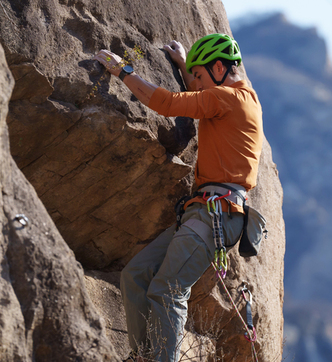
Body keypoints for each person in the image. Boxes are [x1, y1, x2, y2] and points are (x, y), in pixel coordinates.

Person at [94, 33, 264, 362]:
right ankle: (146, 356)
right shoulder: (238, 99)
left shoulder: (229, 99)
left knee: (169, 290)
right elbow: (201, 93)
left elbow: (169, 103)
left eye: (200, 77)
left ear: (218, 68)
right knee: (136, 276)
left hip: (215, 214)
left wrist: (124, 70)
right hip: (205, 214)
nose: (196, 84)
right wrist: (187, 66)